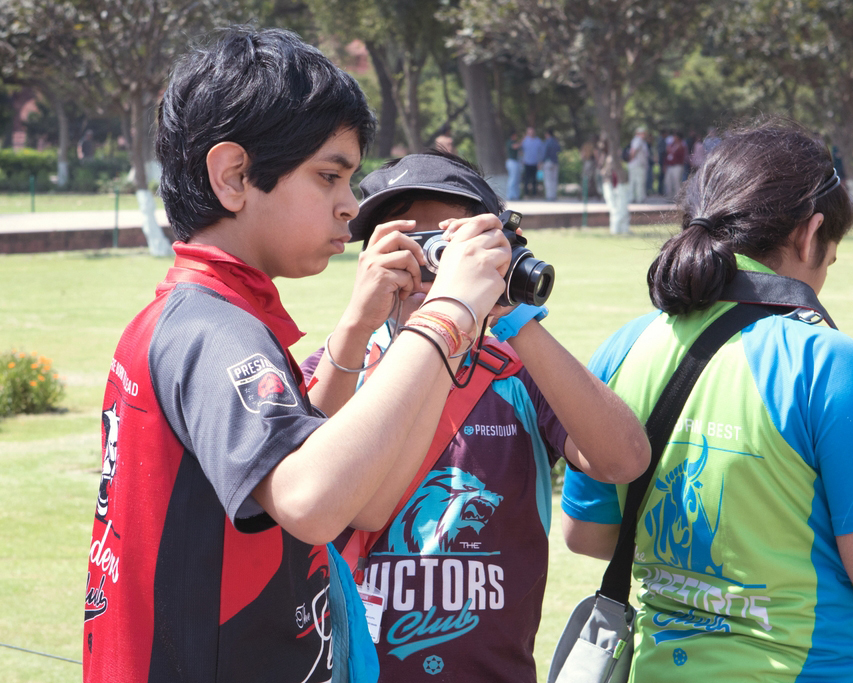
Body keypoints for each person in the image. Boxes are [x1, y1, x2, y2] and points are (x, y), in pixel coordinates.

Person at [82, 28, 514, 683]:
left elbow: (364, 502)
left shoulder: (211, 315)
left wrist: (401, 324)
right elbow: (313, 502)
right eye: (329, 175)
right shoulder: (215, 331)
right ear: (234, 176)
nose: (350, 204)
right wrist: (448, 317)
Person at [559, 121, 853, 683]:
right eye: (829, 260)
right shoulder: (825, 360)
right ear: (812, 235)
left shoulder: (626, 345)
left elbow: (587, 533)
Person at [301, 149, 651, 681]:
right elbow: (297, 504)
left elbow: (622, 459)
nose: (429, 269)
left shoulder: (518, 372)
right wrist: (356, 324)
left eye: (451, 247)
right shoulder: (343, 369)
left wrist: (512, 313)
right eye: (408, 246)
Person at [662, 130, 687, 201]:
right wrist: (665, 164)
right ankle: (669, 197)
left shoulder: (682, 145)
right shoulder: (671, 144)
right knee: (668, 181)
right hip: (670, 166)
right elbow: (667, 155)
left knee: (676, 182)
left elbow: (681, 156)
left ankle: (677, 198)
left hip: (677, 166)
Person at [627, 126, 649, 203]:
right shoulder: (638, 140)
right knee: (638, 182)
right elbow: (633, 151)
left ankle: (634, 197)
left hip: (637, 164)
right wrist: (632, 159)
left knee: (636, 181)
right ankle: (638, 198)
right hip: (637, 164)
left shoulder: (640, 141)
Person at [520, 126, 544, 198]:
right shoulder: (524, 141)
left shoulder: (538, 141)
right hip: (527, 162)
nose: (531, 133)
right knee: (526, 179)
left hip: (535, 163)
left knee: (534, 179)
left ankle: (534, 194)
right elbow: (521, 151)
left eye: (532, 132)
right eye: (529, 132)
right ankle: (526, 194)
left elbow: (541, 152)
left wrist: (540, 162)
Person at [542, 128, 561, 201]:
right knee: (554, 179)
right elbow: (559, 150)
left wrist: (542, 161)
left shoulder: (547, 142)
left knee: (548, 180)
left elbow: (545, 153)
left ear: (547, 134)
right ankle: (554, 195)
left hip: (548, 161)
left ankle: (549, 196)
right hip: (555, 161)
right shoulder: (556, 142)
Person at [505, 131, 522, 200]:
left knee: (516, 179)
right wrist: (523, 140)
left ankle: (515, 195)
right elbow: (515, 147)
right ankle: (510, 195)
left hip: (516, 161)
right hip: (511, 161)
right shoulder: (510, 142)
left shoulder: (515, 142)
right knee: (512, 178)